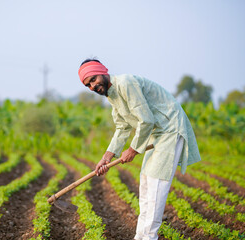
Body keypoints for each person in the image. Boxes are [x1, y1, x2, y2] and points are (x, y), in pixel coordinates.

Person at [78, 58, 201, 240]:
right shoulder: (112, 95)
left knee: (156, 185)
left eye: (93, 79)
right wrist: (106, 157)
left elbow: (146, 120)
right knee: (145, 184)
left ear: (103, 71)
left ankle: (150, 237)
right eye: (88, 85)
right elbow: (122, 128)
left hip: (170, 129)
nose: (92, 87)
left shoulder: (126, 83)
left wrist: (133, 150)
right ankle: (140, 236)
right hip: (155, 134)